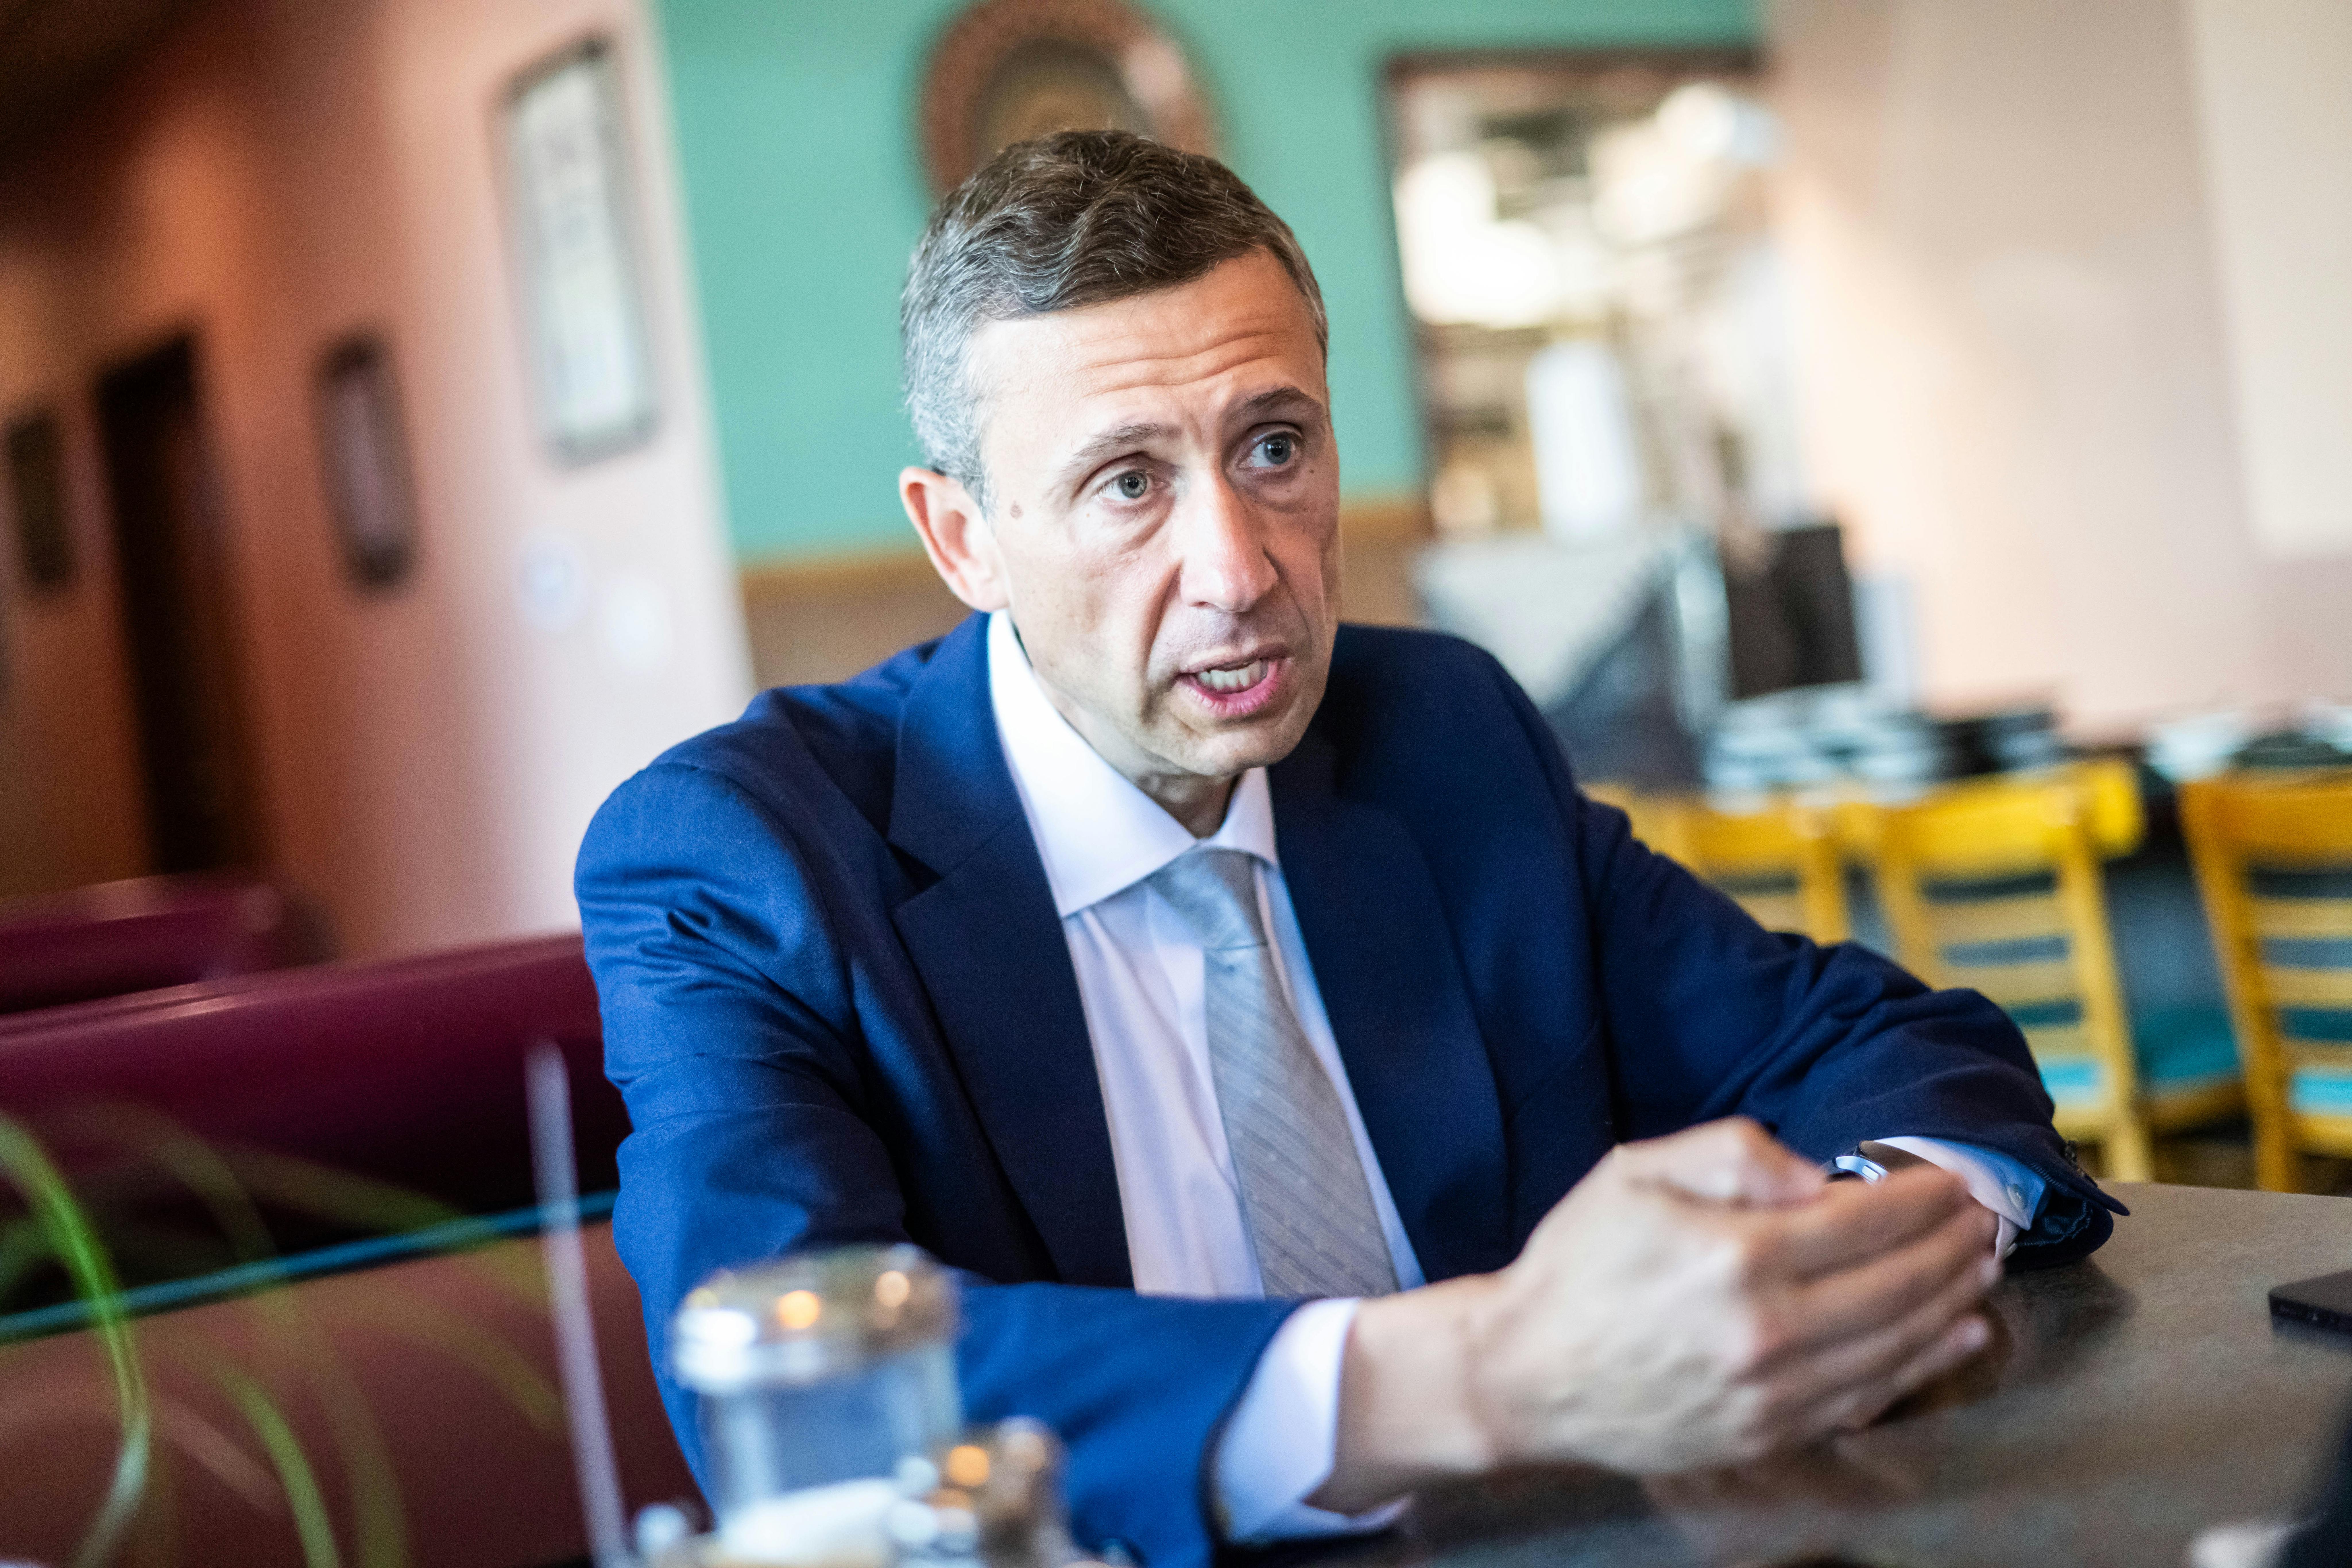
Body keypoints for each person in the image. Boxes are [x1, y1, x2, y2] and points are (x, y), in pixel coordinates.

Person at [575, 130, 2119, 1567]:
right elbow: (795, 1382)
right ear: (963, 538)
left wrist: (1840, 1276)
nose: (1240, 572)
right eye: (1130, 483)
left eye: (1274, 447)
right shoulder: (742, 854)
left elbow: (1883, 1042)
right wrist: (1489, 1374)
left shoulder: (1436, 733)